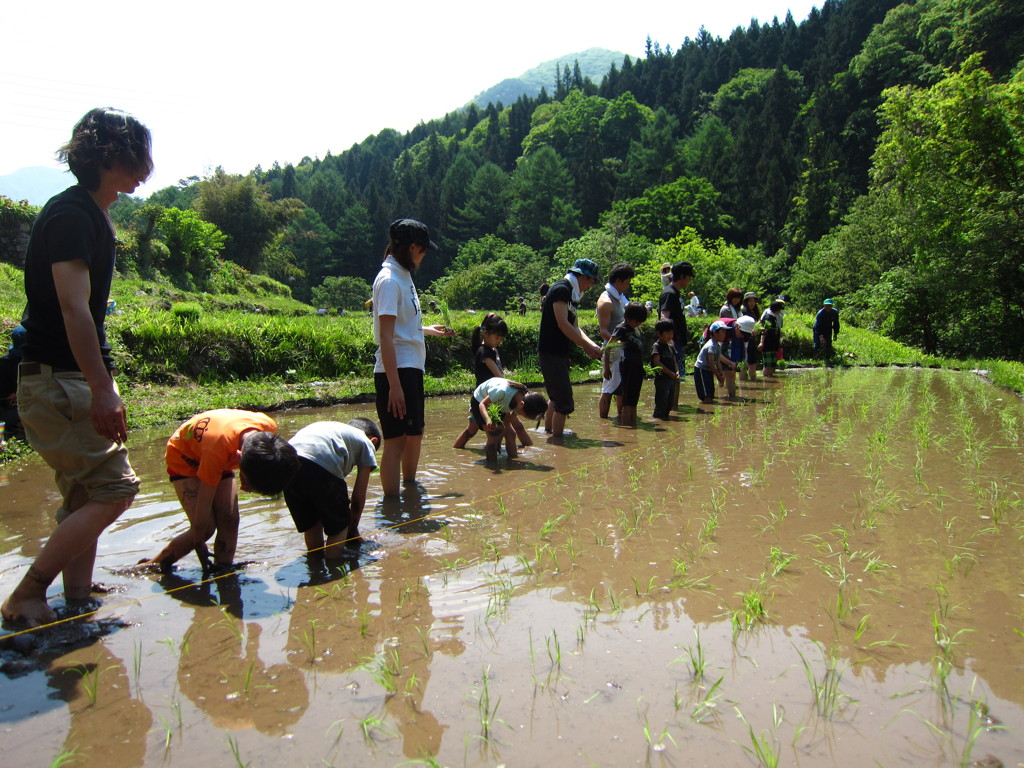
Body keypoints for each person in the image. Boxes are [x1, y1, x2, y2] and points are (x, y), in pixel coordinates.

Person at [2, 109, 152, 627]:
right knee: (116, 489)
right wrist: (102, 388)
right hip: (58, 379)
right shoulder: (70, 215)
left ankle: (77, 597)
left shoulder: (92, 213)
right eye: (138, 155)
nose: (145, 168)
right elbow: (73, 309)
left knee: (87, 492)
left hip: (66, 379)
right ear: (111, 155)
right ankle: (27, 593)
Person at [140, 409, 300, 573]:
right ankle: (152, 566)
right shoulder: (217, 450)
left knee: (230, 520)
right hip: (185, 458)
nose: (247, 490)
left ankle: (223, 570)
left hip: (218, 449)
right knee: (206, 528)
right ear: (238, 458)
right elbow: (204, 504)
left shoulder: (268, 427)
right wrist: (198, 541)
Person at [372, 218, 455, 496]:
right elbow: (385, 336)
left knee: (415, 433)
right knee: (395, 440)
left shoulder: (403, 276)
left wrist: (428, 330)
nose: (423, 256)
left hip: (410, 367)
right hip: (396, 371)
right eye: (422, 251)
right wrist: (394, 386)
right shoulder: (389, 280)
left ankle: (410, 490)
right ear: (411, 248)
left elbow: (401, 326)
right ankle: (393, 505)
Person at [284, 418, 381, 559]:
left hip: (287, 465)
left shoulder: (334, 429)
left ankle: (316, 568)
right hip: (320, 463)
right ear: (373, 441)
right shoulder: (367, 444)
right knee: (339, 527)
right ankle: (334, 570)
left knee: (312, 525)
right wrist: (351, 528)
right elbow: (358, 497)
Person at [537, 258, 603, 436]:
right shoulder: (561, 290)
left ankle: (549, 434)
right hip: (551, 351)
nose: (590, 287)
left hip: (559, 351)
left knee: (556, 397)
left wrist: (591, 345)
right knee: (564, 402)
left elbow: (575, 326)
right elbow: (563, 324)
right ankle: (558, 445)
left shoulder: (573, 296)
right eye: (591, 281)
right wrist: (586, 346)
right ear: (582, 277)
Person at [453, 313, 532, 450]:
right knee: (504, 432)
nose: (499, 341)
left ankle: (460, 452)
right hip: (487, 399)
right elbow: (499, 376)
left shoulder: (490, 349)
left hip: (492, 397)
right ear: (486, 333)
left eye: (501, 338)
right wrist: (518, 386)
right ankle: (503, 457)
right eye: (497, 337)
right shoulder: (486, 352)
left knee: (474, 431)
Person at [466, 378, 547, 462]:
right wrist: (488, 420)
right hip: (479, 401)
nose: (519, 415)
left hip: (499, 403)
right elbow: (482, 404)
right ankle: (492, 464)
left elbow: (505, 422)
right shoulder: (502, 392)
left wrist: (500, 437)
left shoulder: (522, 401)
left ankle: (513, 460)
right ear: (521, 404)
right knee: (493, 436)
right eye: (522, 414)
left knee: (511, 433)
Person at [596, 262, 634, 420]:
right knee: (608, 388)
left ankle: (620, 417)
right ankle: (603, 423)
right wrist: (619, 344)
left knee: (621, 387)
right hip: (613, 349)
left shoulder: (619, 298)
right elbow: (604, 331)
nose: (628, 286)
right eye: (626, 282)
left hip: (622, 350)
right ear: (618, 281)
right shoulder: (606, 301)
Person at [658, 261, 695, 412]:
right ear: (682, 276)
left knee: (678, 376)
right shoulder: (669, 293)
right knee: (673, 376)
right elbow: (664, 316)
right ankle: (670, 409)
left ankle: (674, 408)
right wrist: (669, 340)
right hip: (672, 343)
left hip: (677, 341)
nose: (690, 281)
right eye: (689, 277)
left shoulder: (676, 293)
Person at [605, 302, 648, 427]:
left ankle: (633, 425)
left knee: (634, 401)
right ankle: (626, 429)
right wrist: (607, 368)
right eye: (636, 321)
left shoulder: (636, 329)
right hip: (627, 367)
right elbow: (608, 347)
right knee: (627, 401)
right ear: (628, 318)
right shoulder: (621, 328)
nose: (638, 324)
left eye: (640, 322)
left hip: (637, 367)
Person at [694, 321, 735, 404]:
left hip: (708, 370)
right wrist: (718, 377)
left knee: (710, 393)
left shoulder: (717, 345)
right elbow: (711, 364)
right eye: (723, 332)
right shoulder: (711, 346)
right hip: (702, 370)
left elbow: (717, 361)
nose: (725, 334)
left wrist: (721, 373)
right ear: (715, 332)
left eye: (725, 332)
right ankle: (706, 411)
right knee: (706, 395)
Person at [651, 319, 680, 420]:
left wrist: (676, 372)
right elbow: (657, 363)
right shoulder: (657, 346)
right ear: (659, 333)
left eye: (671, 333)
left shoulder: (670, 347)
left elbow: (674, 361)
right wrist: (670, 373)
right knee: (661, 404)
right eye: (667, 333)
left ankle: (665, 421)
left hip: (671, 379)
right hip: (662, 380)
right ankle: (658, 422)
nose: (670, 335)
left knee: (669, 404)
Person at [719, 288, 745, 397]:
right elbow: (728, 325)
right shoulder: (726, 309)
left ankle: (724, 393)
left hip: (734, 341)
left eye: (739, 298)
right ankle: (728, 395)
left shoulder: (738, 310)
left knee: (730, 370)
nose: (737, 300)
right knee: (728, 370)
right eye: (735, 297)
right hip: (726, 341)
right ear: (730, 297)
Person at [759, 299, 786, 377]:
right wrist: (761, 343)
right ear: (776, 310)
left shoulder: (774, 317)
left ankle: (770, 380)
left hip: (773, 344)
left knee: (772, 365)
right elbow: (764, 332)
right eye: (779, 310)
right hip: (768, 345)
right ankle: (766, 381)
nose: (780, 311)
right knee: (767, 366)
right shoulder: (768, 318)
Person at [741, 291, 762, 380]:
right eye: (750, 301)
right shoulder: (743, 311)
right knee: (743, 364)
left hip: (752, 339)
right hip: (744, 340)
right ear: (746, 301)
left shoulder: (754, 312)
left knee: (752, 363)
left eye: (753, 301)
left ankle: (752, 381)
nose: (752, 303)